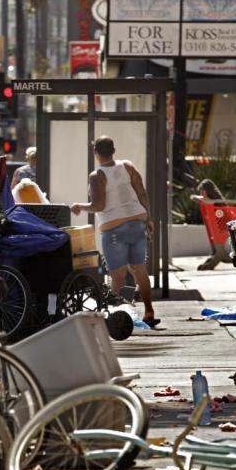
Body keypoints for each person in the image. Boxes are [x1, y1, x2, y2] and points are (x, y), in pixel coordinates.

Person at [71, 136, 159, 327]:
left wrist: (80, 206)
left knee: (117, 277)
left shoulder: (96, 176)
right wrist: (149, 218)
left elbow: (99, 205)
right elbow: (142, 193)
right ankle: (149, 311)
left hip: (113, 228)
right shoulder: (127, 166)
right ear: (114, 150)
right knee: (139, 269)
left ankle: (110, 318)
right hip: (138, 221)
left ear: (96, 153)